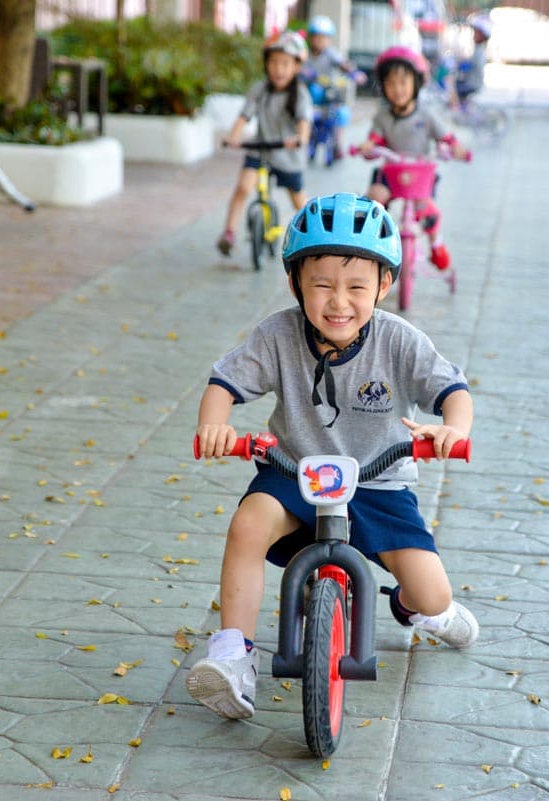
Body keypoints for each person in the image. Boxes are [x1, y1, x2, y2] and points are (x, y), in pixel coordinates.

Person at [187, 193, 479, 720]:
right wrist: (214, 423)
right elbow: (224, 381)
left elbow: (453, 391)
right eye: (321, 285)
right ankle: (232, 655)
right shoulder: (277, 336)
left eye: (356, 287)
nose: (338, 302)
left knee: (433, 596)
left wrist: (451, 429)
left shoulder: (399, 341)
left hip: (378, 482)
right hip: (294, 472)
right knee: (248, 525)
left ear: (384, 285)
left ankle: (412, 606)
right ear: (295, 283)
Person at [358, 46, 468, 271]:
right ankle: (367, 246)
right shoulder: (383, 117)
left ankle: (436, 244)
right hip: (391, 173)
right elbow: (375, 138)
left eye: (403, 82)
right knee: (373, 201)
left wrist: (456, 148)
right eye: (390, 83)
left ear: (416, 84)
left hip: (420, 175)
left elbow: (446, 137)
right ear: (383, 87)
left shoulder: (426, 115)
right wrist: (369, 146)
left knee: (428, 211)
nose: (397, 89)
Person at [217, 31, 313, 257]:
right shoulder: (260, 89)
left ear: (296, 66)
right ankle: (229, 233)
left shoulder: (300, 93)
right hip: (260, 149)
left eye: (285, 63)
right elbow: (244, 116)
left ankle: (315, 238)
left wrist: (300, 138)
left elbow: (304, 122)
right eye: (273, 62)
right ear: (266, 64)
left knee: (299, 201)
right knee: (243, 187)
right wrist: (233, 136)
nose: (278, 69)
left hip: (287, 154)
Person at [302, 14, 363, 161]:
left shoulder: (331, 54)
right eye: (317, 37)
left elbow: (343, 64)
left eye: (324, 38)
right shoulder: (305, 55)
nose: (320, 41)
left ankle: (337, 143)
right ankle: (306, 138)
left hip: (328, 92)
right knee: (305, 113)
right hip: (311, 95)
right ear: (311, 38)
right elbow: (298, 67)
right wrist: (304, 73)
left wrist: (354, 73)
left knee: (341, 112)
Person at [452, 14, 491, 108]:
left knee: (451, 86)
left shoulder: (480, 50)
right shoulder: (478, 49)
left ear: (482, 35)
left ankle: (456, 108)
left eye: (476, 33)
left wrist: (462, 65)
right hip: (470, 81)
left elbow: (474, 65)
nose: (474, 35)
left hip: (472, 83)